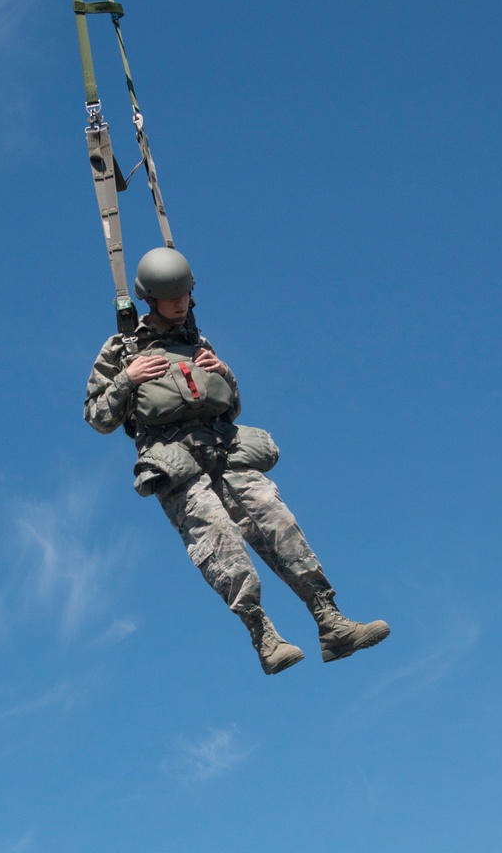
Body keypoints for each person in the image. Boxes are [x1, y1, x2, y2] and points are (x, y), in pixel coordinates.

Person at [84, 247, 390, 675]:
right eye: (171, 296)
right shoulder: (121, 348)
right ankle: (262, 634)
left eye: (185, 295)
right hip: (176, 464)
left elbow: (229, 407)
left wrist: (225, 374)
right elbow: (97, 417)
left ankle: (331, 622)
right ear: (149, 299)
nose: (181, 303)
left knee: (279, 525)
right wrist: (126, 379)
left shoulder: (197, 341)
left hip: (225, 447)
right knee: (222, 546)